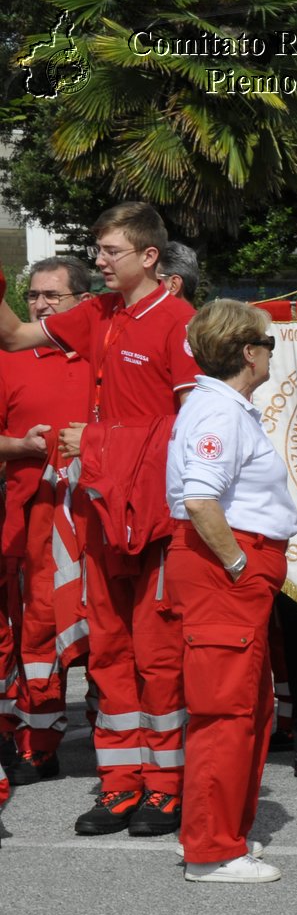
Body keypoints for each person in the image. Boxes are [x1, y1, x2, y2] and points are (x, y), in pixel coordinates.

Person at [0, 202, 196, 838]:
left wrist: (102, 443)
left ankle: (165, 788)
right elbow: (13, 338)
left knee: (157, 653)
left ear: (147, 257)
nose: (99, 261)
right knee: (109, 650)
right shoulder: (99, 314)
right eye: (97, 250)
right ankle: (119, 785)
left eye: (110, 252)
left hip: (156, 516)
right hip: (98, 511)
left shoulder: (178, 321)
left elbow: (193, 431)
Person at [166, 299, 297, 882]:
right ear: (248, 352)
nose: (271, 351)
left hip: (234, 569)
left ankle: (221, 835)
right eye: (267, 343)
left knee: (247, 704)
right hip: (227, 570)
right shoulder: (218, 412)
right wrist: (241, 563)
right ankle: (211, 849)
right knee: (227, 708)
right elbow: (199, 499)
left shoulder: (226, 408)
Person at [0, 257, 94, 784]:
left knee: (105, 631)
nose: (40, 304)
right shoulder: (7, 359)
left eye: (52, 297)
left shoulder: (103, 355)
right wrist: (20, 445)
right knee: (36, 630)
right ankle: (38, 740)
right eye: (34, 295)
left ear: (81, 302)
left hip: (97, 515)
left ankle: (116, 736)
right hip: (31, 517)